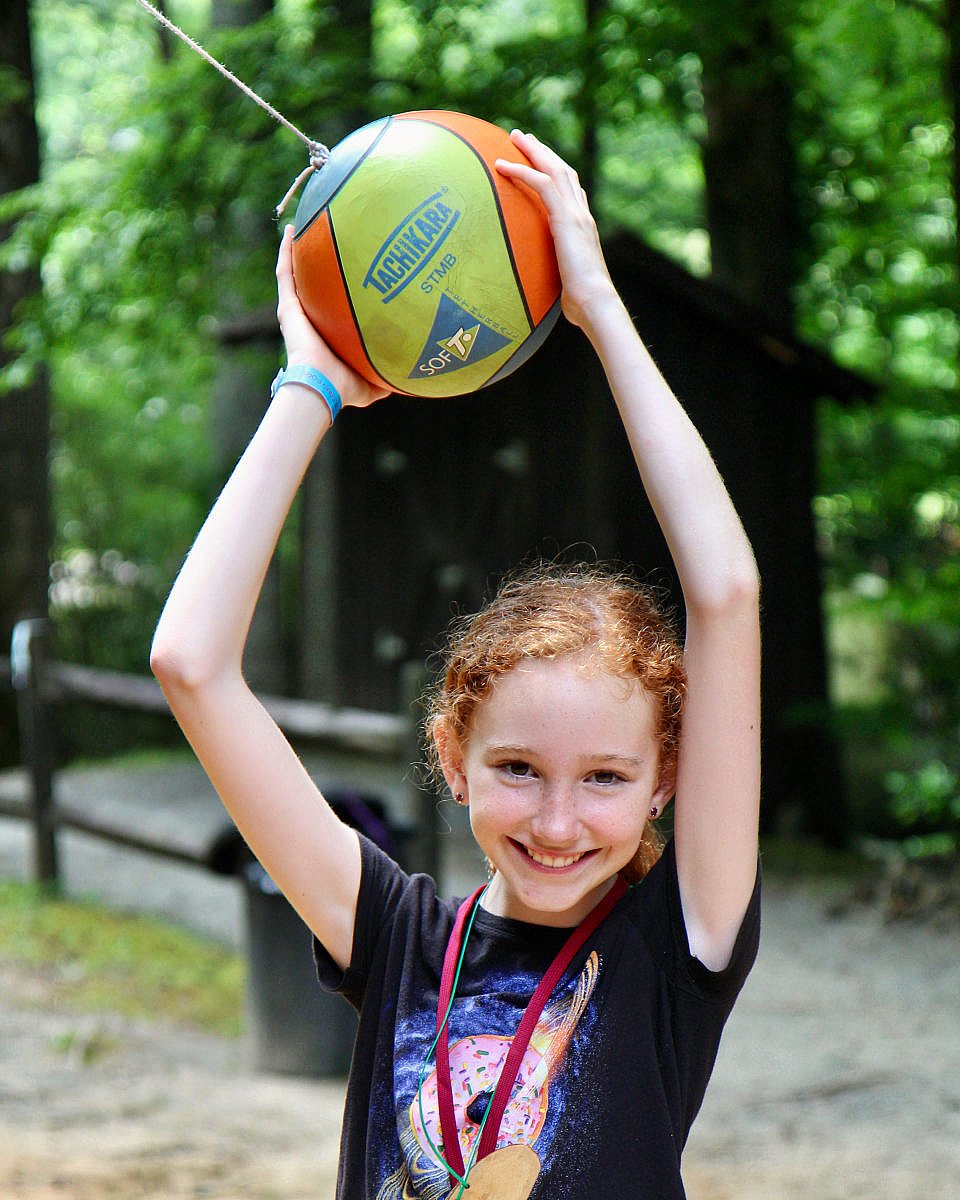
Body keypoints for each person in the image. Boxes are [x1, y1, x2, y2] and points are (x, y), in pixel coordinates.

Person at [151, 129, 761, 1199]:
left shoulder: (678, 949)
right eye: (519, 767)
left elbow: (725, 595)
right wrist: (310, 388)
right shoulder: (390, 935)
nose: (559, 822)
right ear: (453, 755)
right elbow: (191, 662)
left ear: (669, 775)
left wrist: (598, 311)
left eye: (608, 777)